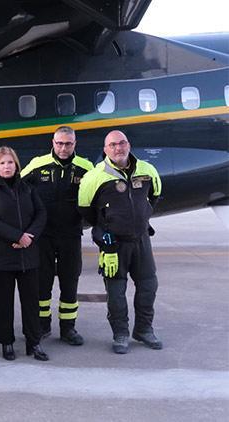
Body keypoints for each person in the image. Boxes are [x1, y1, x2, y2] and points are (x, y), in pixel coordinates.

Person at [78, 130, 162, 354]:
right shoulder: (95, 177)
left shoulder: (147, 170)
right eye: (113, 145)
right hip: (113, 245)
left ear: (129, 144)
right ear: (105, 150)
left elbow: (154, 195)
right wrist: (106, 232)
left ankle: (144, 330)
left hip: (141, 240)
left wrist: (141, 217)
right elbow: (86, 210)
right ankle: (121, 334)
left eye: (122, 143)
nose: (118, 148)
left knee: (148, 286)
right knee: (116, 293)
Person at [21, 126, 93, 346]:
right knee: (42, 283)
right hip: (43, 236)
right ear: (53, 142)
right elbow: (17, 190)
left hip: (71, 236)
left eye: (68, 144)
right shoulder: (37, 165)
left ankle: (68, 328)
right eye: (59, 143)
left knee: (69, 281)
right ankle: (43, 325)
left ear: (75, 144)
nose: (63, 148)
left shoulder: (85, 168)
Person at [0, 146, 48, 362]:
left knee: (31, 302)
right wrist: (17, 236)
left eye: (10, 162)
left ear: (16, 165)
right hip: (1, 256)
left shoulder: (27, 187)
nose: (6, 166)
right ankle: (7, 342)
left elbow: (41, 213)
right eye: (2, 163)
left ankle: (33, 342)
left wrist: (30, 236)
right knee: (4, 302)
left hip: (28, 255)